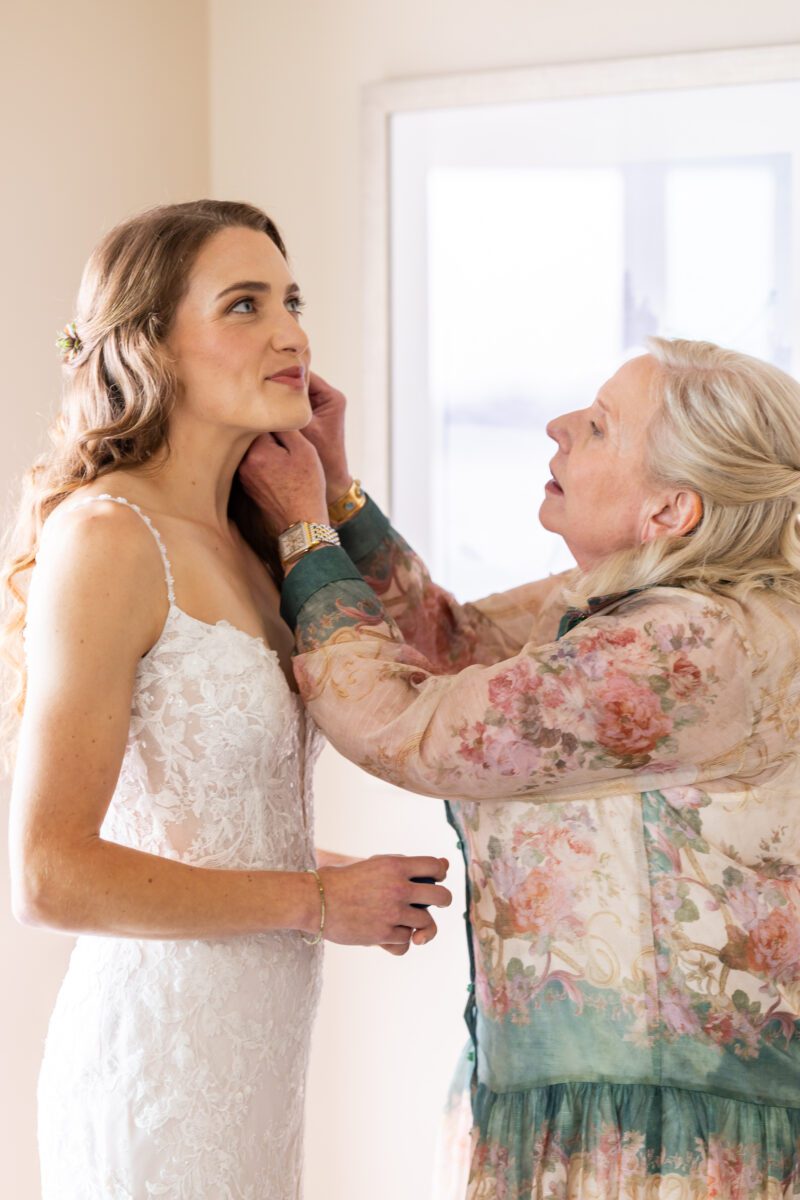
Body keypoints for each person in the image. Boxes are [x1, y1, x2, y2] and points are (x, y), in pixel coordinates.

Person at [241, 340, 800, 1199]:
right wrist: (341, 495)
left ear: (670, 510)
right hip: (605, 1109)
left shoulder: (685, 643)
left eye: (601, 427)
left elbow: (404, 724)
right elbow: (456, 647)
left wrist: (302, 532)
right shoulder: (668, 600)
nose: (559, 426)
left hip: (659, 1150)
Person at [2, 199, 451, 1200]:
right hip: (158, 1053)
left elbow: (431, 660)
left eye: (289, 300)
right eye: (244, 306)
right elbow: (48, 873)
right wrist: (317, 899)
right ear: (150, 345)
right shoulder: (111, 537)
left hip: (255, 1060)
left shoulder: (261, 545)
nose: (289, 333)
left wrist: (335, 491)